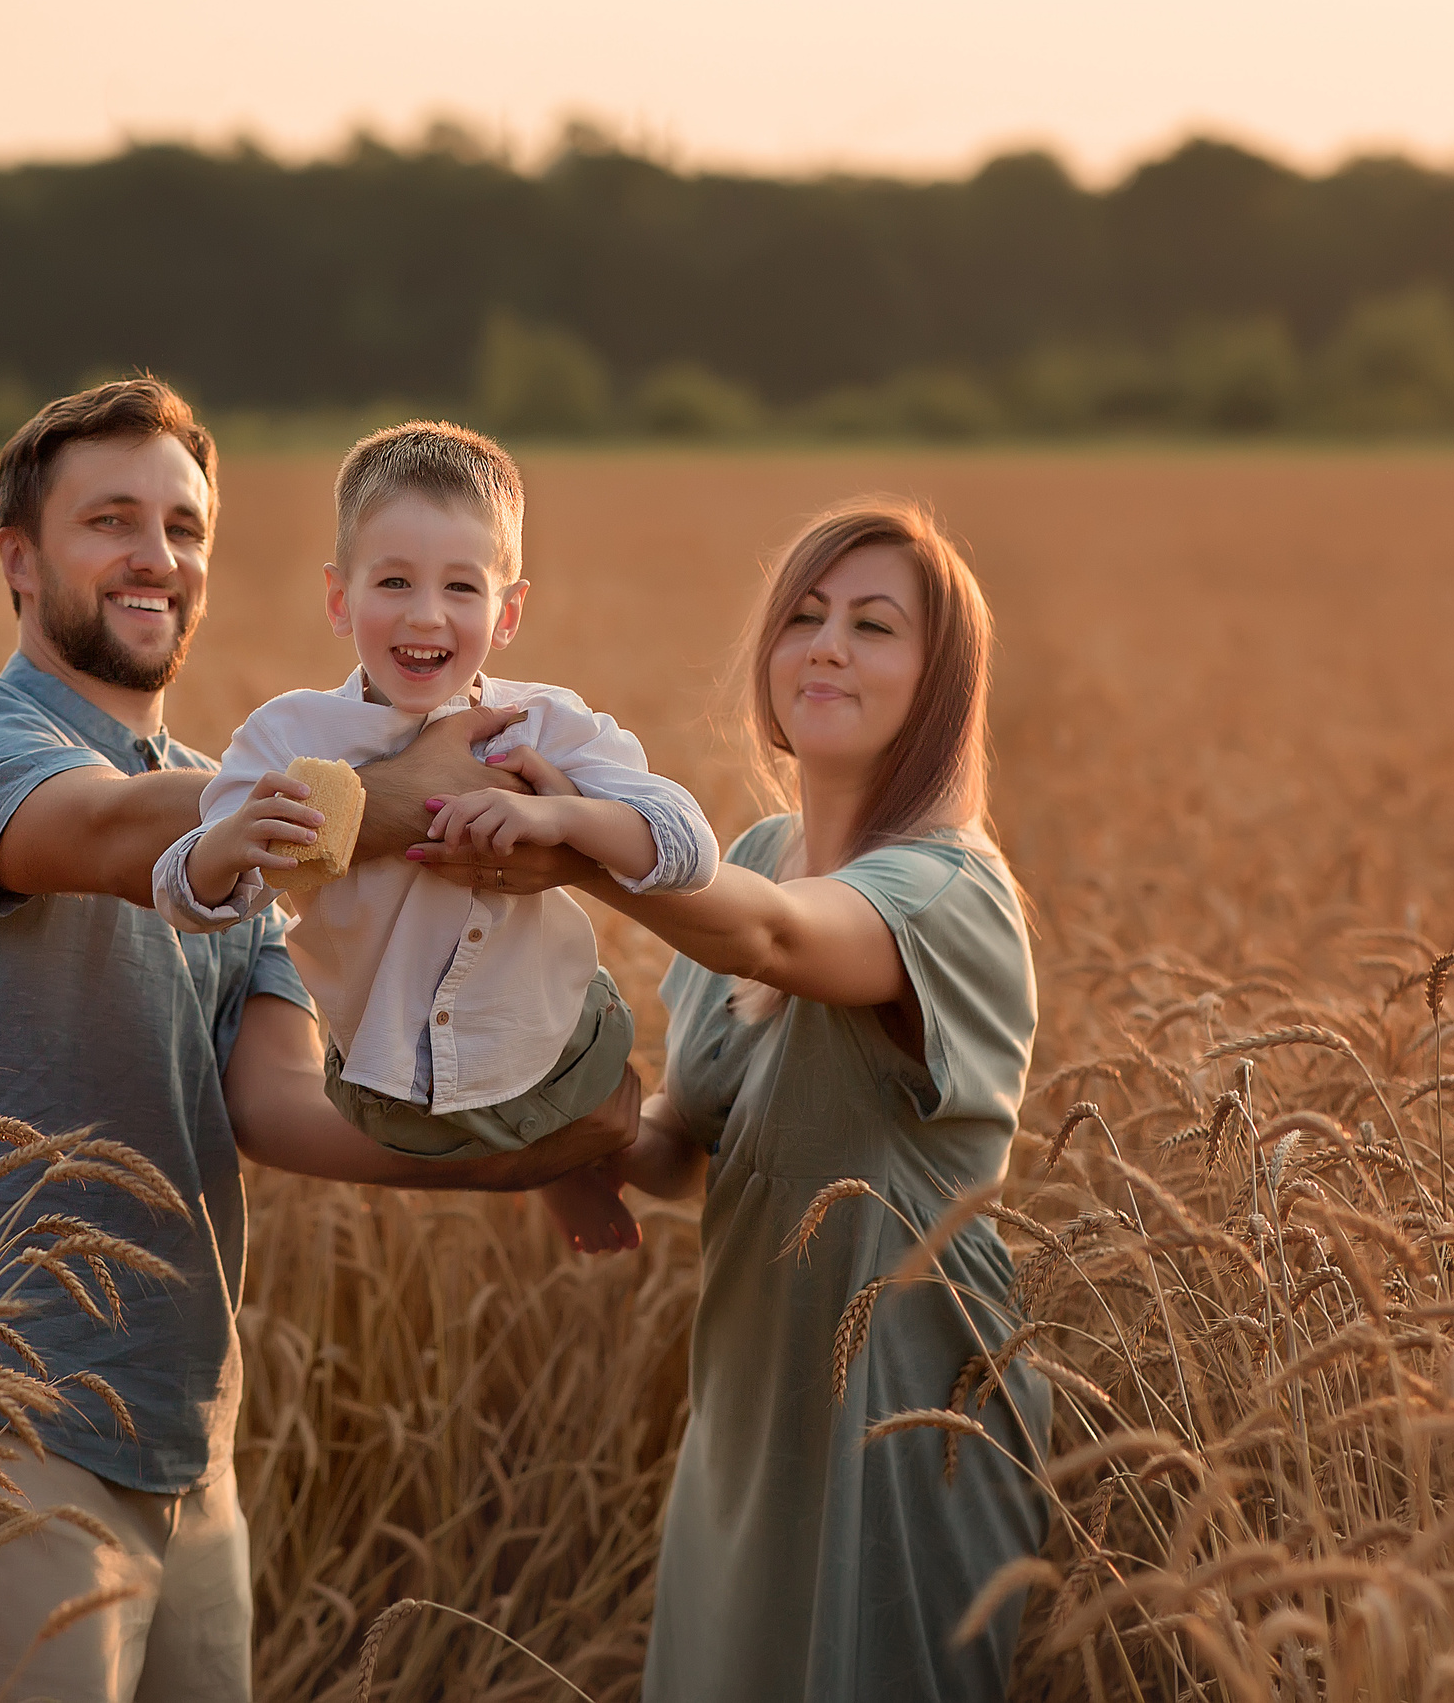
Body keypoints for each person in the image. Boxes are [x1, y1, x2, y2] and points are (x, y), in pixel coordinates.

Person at [0, 379, 640, 1703]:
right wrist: (440, 775)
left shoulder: (252, 821)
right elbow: (111, 836)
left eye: (184, 525)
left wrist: (524, 1144)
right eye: (112, 520)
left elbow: (274, 1102)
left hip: (183, 1441)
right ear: (18, 559)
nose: (158, 555)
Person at [414, 497, 1049, 1700]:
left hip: (908, 1413)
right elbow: (691, 1149)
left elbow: (768, 940)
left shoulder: (949, 889)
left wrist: (583, 844)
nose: (824, 645)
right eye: (803, 616)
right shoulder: (752, 854)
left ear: (940, 685)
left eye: (873, 627)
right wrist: (561, 1132)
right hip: (755, 1404)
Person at [151, 421, 717, 1255]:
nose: (426, 615)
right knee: (509, 1146)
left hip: (559, 1051)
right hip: (389, 1090)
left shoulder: (540, 725)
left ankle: (565, 1153)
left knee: (606, 1117)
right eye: (394, 581)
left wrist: (560, 818)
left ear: (509, 609)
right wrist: (233, 843)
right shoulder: (287, 737)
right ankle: (544, 1161)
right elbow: (184, 896)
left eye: (462, 587)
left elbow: (689, 846)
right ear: (339, 599)